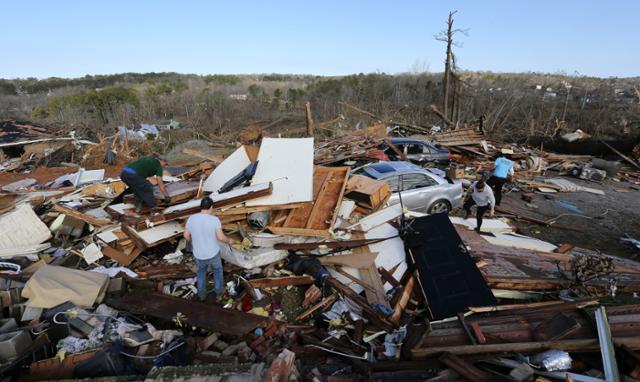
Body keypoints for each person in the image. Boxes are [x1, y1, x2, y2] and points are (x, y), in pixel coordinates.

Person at [184, 197, 235, 302]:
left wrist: (193, 243)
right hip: (213, 254)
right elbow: (220, 237)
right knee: (217, 271)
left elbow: (186, 236)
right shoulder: (214, 220)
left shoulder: (191, 218)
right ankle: (218, 292)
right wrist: (229, 240)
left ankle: (202, 295)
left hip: (198, 254)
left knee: (201, 273)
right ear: (211, 207)